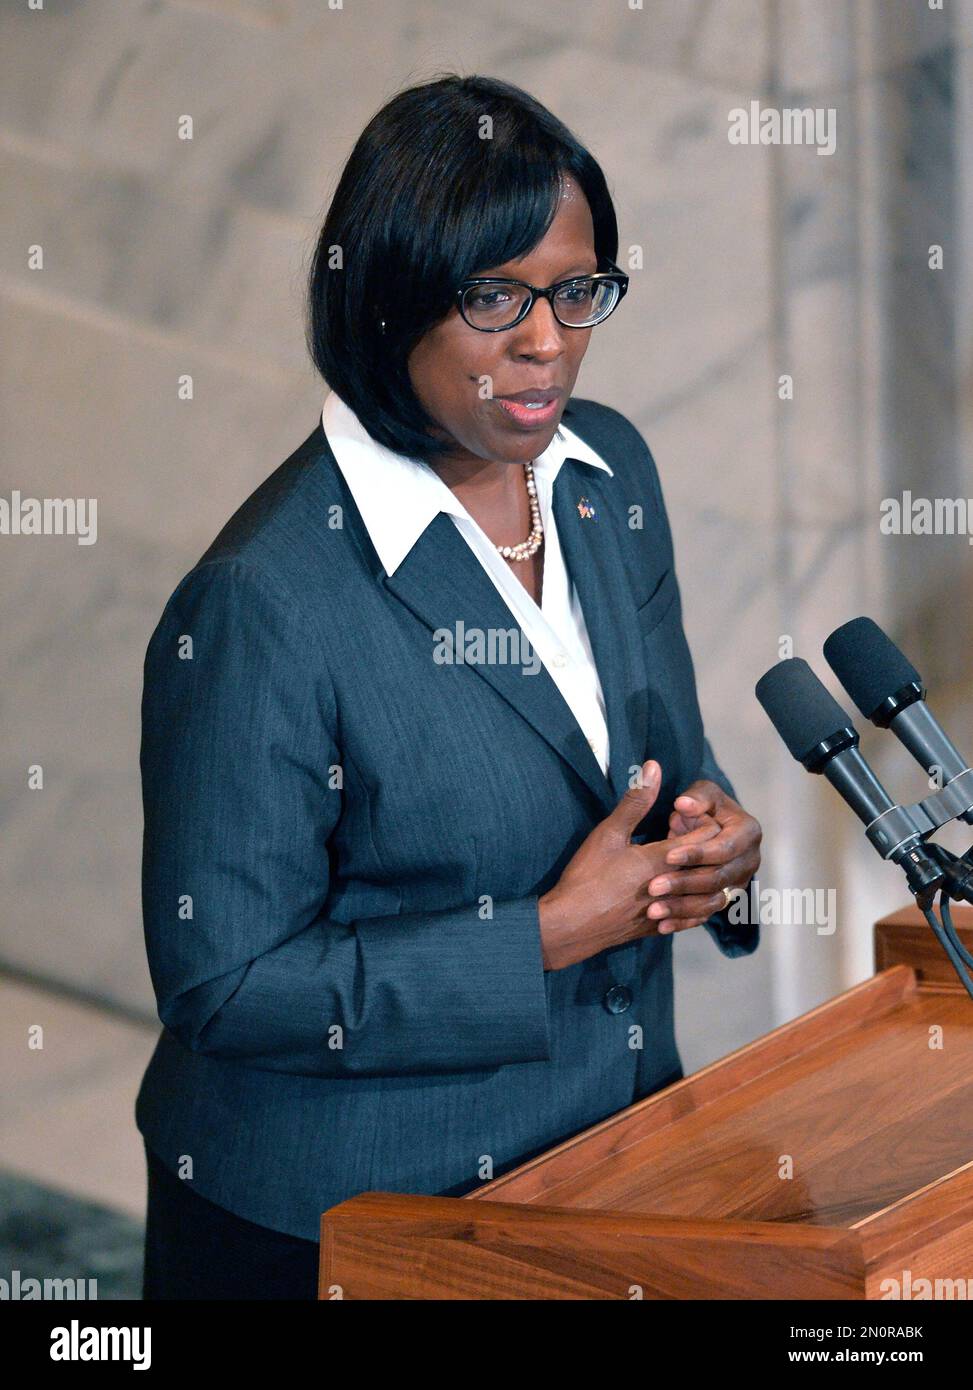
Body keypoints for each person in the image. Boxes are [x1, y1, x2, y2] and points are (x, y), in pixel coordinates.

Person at [136, 73, 762, 1300]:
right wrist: (549, 934)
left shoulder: (604, 472)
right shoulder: (265, 601)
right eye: (494, 299)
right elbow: (228, 984)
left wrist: (714, 838)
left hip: (607, 1152)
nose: (547, 342)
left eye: (577, 292)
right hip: (351, 1226)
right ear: (386, 303)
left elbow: (657, 757)